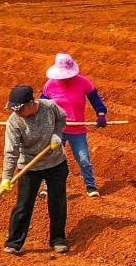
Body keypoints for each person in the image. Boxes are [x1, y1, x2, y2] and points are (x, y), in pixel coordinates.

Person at [0, 85, 69, 255]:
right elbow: (11, 151)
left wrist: (57, 134)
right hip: (29, 167)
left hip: (56, 163)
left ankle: (58, 238)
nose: (17, 112)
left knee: (57, 202)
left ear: (32, 103)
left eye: (20, 109)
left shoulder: (49, 107)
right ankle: (14, 242)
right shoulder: (14, 122)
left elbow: (62, 117)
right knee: (23, 205)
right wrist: (6, 177)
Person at [40, 53, 109, 197]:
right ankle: (48, 187)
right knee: (52, 158)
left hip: (77, 130)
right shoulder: (50, 85)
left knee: (83, 159)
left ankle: (91, 186)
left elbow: (95, 99)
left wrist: (101, 113)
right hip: (57, 129)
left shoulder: (83, 82)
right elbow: (42, 105)